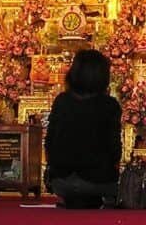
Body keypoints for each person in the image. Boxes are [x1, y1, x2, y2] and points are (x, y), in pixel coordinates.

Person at [44, 49, 121, 208]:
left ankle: (75, 197)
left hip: (62, 182)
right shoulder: (109, 105)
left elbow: (49, 142)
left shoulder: (62, 101)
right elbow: (115, 150)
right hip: (100, 182)